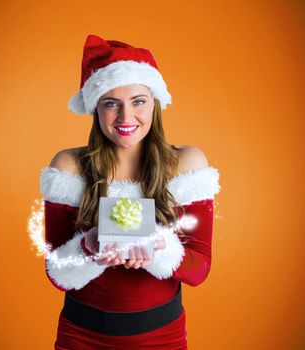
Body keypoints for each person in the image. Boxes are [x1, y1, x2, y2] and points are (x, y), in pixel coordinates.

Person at [39, 34, 221, 350]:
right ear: (96, 108)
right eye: (111, 103)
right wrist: (89, 247)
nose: (126, 118)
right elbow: (57, 272)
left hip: (161, 336)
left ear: (155, 103)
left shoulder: (187, 164)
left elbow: (199, 268)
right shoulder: (68, 165)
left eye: (138, 101)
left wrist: (159, 247)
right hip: (81, 336)